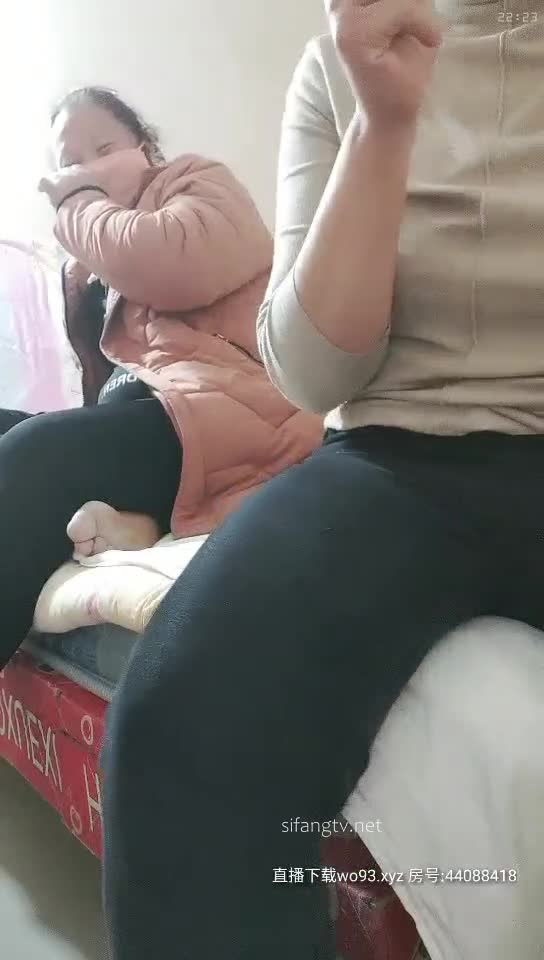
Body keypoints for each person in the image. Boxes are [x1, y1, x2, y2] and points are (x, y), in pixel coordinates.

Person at [101, 0, 544, 957]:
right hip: (397, 458)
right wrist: (383, 122)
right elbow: (311, 375)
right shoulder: (343, 64)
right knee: (183, 726)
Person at [0, 86, 321, 668]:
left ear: (144, 147)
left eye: (103, 149)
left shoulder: (198, 184)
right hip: (150, 424)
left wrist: (77, 202)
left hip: (226, 418)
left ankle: (135, 520)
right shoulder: (94, 264)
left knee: (33, 455)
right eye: (69, 163)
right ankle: (137, 524)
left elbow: (175, 262)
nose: (85, 171)